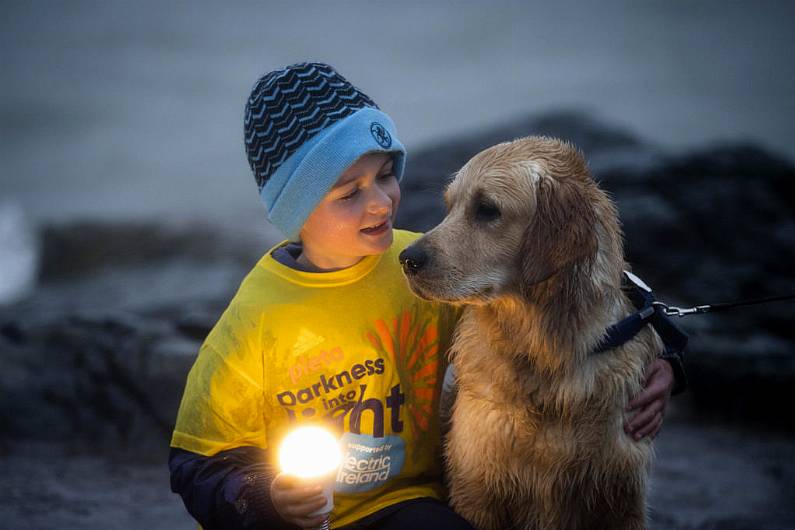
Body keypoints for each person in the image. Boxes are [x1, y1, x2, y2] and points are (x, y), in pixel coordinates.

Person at [168, 62, 686, 530]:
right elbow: (195, 464)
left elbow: (594, 295)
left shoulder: (422, 267)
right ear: (294, 210)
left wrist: (664, 361)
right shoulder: (253, 321)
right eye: (350, 193)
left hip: (404, 505)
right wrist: (266, 501)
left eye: (387, 175)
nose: (380, 203)